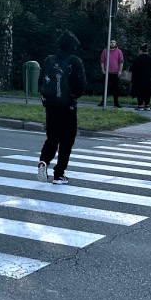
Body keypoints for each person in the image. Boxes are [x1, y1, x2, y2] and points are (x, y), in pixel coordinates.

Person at [37, 31, 87, 185]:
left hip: (51, 106)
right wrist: (73, 96)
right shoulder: (74, 61)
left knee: (52, 137)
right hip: (68, 107)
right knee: (67, 140)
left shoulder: (49, 60)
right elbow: (81, 85)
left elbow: (40, 82)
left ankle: (44, 161)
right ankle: (59, 173)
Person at [98, 39, 124, 108]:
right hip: (107, 73)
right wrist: (103, 70)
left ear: (115, 43)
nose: (112, 44)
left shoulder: (119, 51)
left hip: (115, 73)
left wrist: (120, 71)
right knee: (105, 87)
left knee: (115, 88)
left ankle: (116, 102)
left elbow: (121, 62)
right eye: (111, 42)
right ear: (109, 43)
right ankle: (103, 101)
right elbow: (102, 61)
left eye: (113, 42)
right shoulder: (105, 51)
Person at [129, 43, 151, 111]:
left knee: (139, 92)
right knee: (147, 92)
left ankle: (140, 106)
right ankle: (147, 106)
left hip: (139, 79)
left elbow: (131, 69)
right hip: (149, 79)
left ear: (140, 50)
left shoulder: (137, 59)